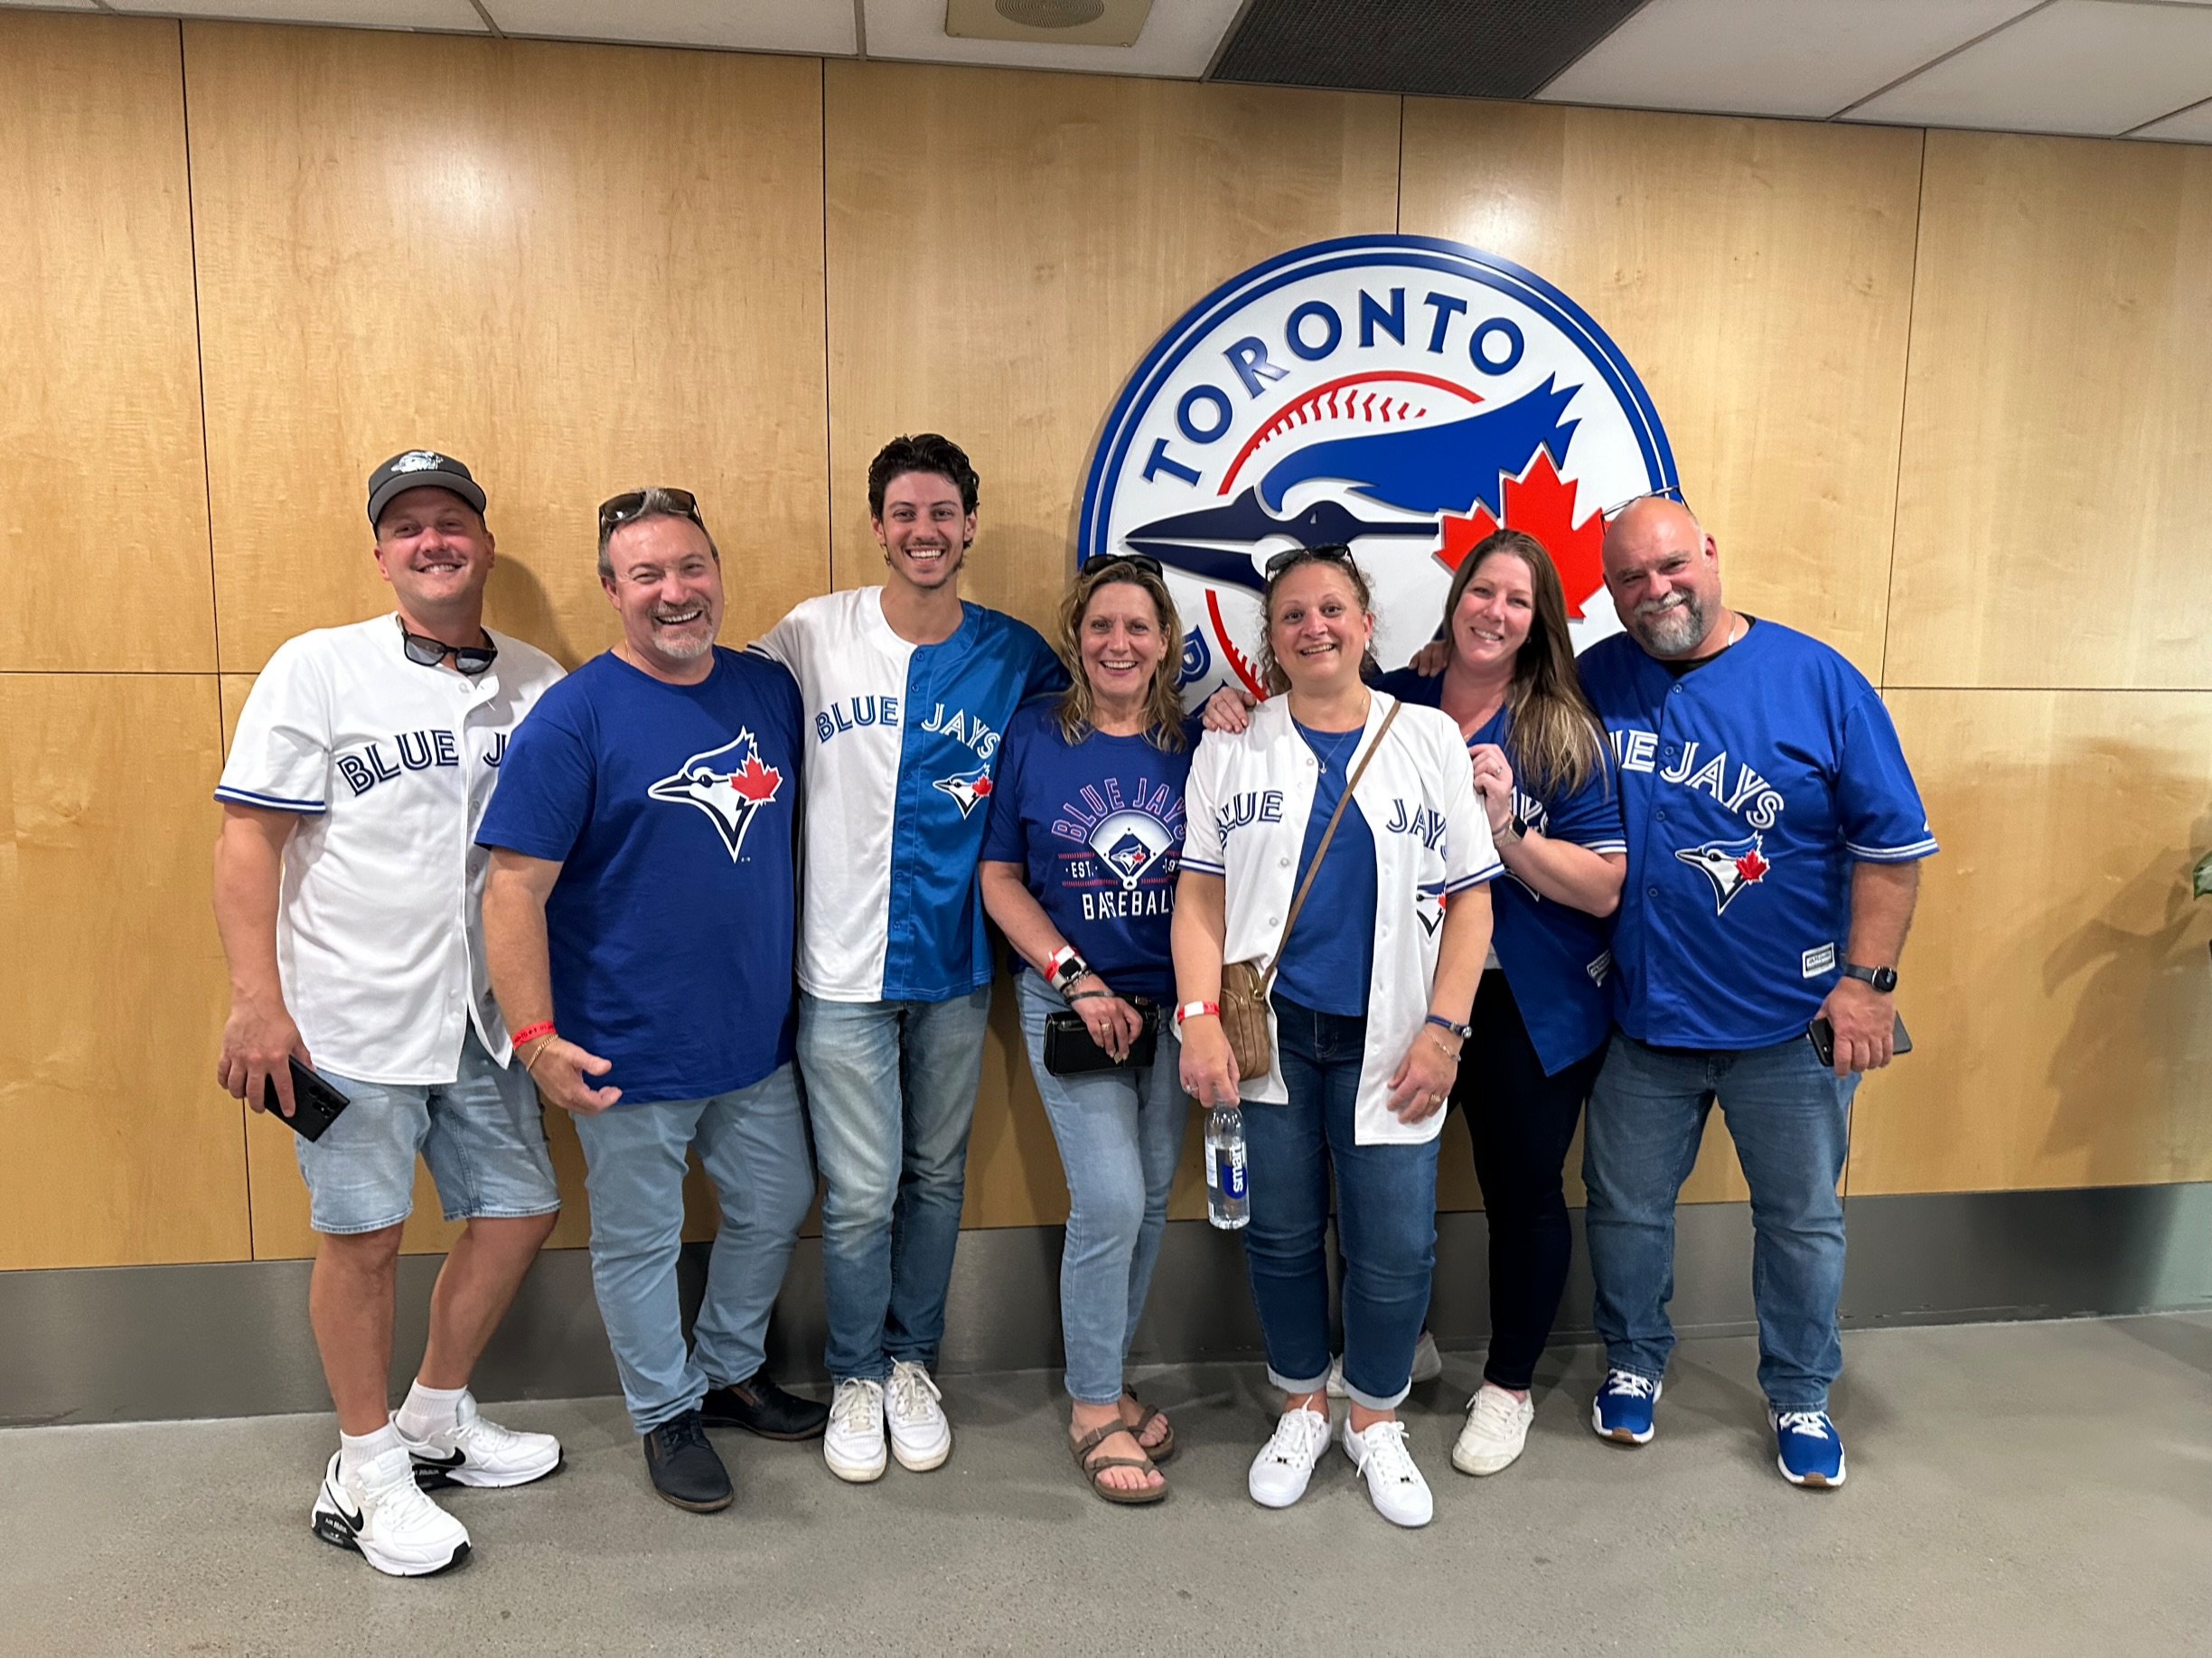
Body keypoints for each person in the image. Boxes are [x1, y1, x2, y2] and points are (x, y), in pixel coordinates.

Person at [1205, 528, 1626, 1478]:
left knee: (1486, 1197)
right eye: (1482, 593)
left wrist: (1506, 835)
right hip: (1321, 1015)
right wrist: (1231, 709)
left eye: (1519, 601)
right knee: (1311, 1218)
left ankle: (1493, 1385)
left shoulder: (1558, 726)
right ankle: (1342, 1383)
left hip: (1510, 998)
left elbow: (1597, 887)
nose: (1495, 612)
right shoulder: (1415, 693)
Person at [211, 451, 566, 1578]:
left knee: (517, 1210)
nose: (432, 541)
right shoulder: (317, 667)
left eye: (451, 521)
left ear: (485, 543)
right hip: (350, 1015)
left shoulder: (540, 678)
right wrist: (256, 1002)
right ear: (380, 553)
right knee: (362, 1239)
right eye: (406, 526)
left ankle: (434, 1417)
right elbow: (247, 840)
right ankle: (364, 1467)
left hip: (484, 1016)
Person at [1578, 495, 1937, 1490]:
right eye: (1630, 579)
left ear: (1710, 554)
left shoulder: (1817, 680)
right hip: (1645, 1019)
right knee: (1626, 1208)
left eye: (1670, 567)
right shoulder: (1596, 678)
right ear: (1609, 593)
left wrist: (1867, 985)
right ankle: (1634, 1360)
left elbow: (1891, 851)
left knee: (1801, 1218)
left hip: (1790, 1023)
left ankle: (1800, 1388)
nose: (1655, 591)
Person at [478, 489, 824, 1514]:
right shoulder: (575, 716)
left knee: (774, 1204)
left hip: (754, 1041)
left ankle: (724, 1371)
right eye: (648, 575)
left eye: (691, 567)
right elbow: (513, 888)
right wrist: (535, 1038)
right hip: (621, 1050)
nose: (676, 593)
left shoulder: (768, 691)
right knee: (640, 1239)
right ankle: (663, 1410)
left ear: (717, 571)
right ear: (612, 590)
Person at [750, 435, 1065, 1483]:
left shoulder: (1016, 655)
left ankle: (910, 1360)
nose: (924, 530)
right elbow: (715, 703)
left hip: (957, 962)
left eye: (943, 512)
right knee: (859, 1188)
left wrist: (1229, 714)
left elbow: (1102, 722)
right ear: (879, 527)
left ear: (969, 523)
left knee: (934, 1177)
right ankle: (852, 1372)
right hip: (837, 967)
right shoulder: (810, 633)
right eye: (905, 512)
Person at [1174, 545, 1497, 1530]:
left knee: (1394, 1243)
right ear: (1269, 642)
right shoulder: (1232, 741)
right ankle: (1304, 1404)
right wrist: (1197, 1021)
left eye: (1332, 609)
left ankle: (1377, 1416)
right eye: (1291, 617)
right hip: (1270, 1036)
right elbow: (1199, 894)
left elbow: (1473, 900)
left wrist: (1446, 1029)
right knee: (1277, 1232)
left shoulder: (1429, 737)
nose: (1314, 626)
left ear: (1366, 624)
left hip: (1394, 1038)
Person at [979, 554, 1192, 1503]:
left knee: (1146, 1202)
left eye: (1137, 627)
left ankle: (1110, 1372)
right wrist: (1076, 977)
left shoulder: (1199, 742)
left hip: (1179, 1010)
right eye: (1101, 626)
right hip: (1074, 1001)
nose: (1118, 643)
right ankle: (1092, 1404)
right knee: (1108, 1199)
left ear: (1165, 642)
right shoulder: (1034, 735)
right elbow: (1000, 877)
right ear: (1076, 637)